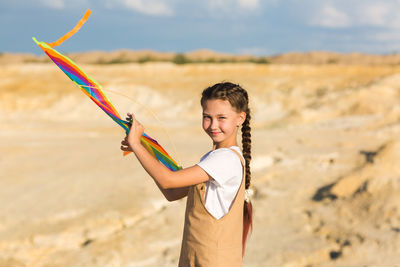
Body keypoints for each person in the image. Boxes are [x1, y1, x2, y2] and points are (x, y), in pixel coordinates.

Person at [121, 82, 253, 266]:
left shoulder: (225, 159)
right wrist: (143, 150)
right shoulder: (215, 158)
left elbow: (167, 181)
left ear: (240, 118)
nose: (213, 125)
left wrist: (135, 143)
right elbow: (172, 193)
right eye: (207, 117)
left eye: (222, 117)